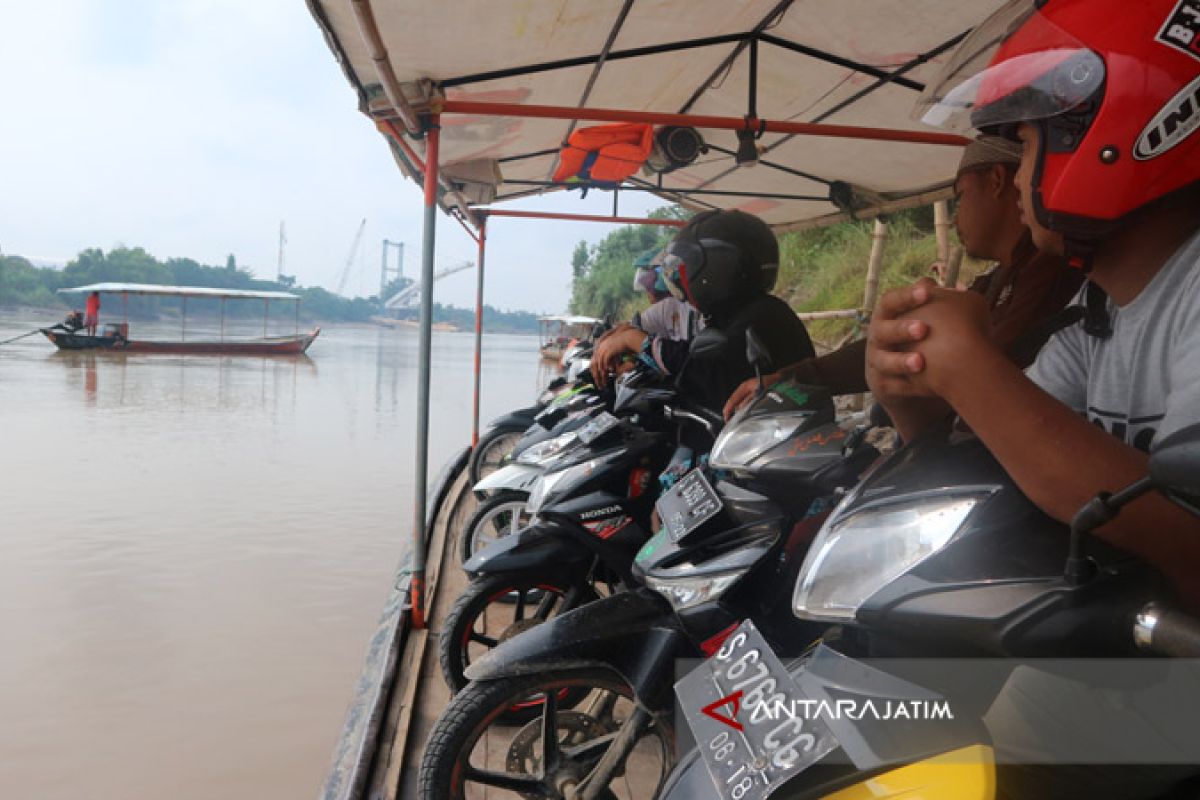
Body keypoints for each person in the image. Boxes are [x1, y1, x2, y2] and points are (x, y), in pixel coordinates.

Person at [722, 136, 1082, 419]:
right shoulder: (995, 282)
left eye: (959, 198)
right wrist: (787, 378)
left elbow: (982, 369)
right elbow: (901, 344)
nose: (955, 218)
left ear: (999, 181)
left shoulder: (1049, 270)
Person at [591, 210, 815, 414]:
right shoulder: (734, 314)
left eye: (686, 267)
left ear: (716, 268)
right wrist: (636, 357)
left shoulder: (760, 318)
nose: (679, 277)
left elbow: (702, 372)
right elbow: (693, 365)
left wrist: (635, 341)